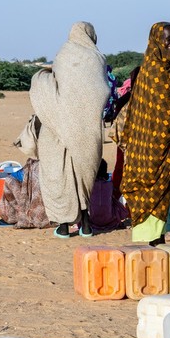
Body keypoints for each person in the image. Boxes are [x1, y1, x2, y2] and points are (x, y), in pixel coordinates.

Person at [28, 22, 110, 238]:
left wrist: (40, 76)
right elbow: (100, 92)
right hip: (87, 131)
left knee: (60, 173)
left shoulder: (63, 55)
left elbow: (53, 86)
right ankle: (86, 224)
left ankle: (64, 226)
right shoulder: (98, 59)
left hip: (57, 126)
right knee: (83, 176)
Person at [121, 22, 170, 245]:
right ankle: (153, 237)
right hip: (151, 144)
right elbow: (154, 111)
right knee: (150, 185)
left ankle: (158, 236)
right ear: (157, 40)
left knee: (162, 189)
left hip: (165, 143)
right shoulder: (154, 71)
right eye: (168, 38)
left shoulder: (166, 70)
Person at [107, 66, 140, 200]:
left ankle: (117, 196)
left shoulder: (126, 97)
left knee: (121, 166)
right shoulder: (147, 98)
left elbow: (116, 116)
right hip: (135, 141)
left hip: (124, 140)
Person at [0, 158, 50, 229]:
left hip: (39, 168)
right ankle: (21, 214)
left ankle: (22, 216)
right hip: (38, 167)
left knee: (11, 182)